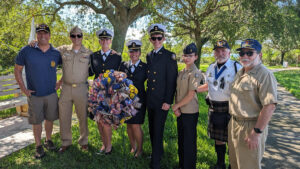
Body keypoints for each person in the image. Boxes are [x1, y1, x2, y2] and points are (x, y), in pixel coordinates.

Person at [228, 39, 277, 169]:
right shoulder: (241, 71)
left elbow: (270, 106)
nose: (244, 56)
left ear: (259, 55)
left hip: (251, 127)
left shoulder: (264, 74)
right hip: (234, 124)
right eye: (242, 53)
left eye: (249, 53)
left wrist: (256, 133)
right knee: (235, 164)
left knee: (248, 166)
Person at [14, 24, 61, 158]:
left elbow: (69, 65)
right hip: (34, 95)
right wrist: (23, 89)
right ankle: (38, 146)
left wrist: (60, 82)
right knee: (36, 121)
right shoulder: (27, 51)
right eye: (39, 33)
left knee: (50, 119)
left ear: (49, 35)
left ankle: (48, 140)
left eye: (45, 33)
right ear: (36, 35)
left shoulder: (56, 53)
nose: (42, 36)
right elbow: (17, 69)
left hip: (51, 94)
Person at [197, 40, 242, 169]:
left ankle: (232, 165)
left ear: (229, 52)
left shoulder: (236, 67)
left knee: (232, 139)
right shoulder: (211, 67)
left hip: (230, 108)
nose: (220, 53)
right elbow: (209, 85)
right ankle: (220, 163)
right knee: (218, 139)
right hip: (214, 108)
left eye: (223, 50)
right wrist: (195, 89)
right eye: (217, 51)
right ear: (214, 53)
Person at [55, 26, 93, 153]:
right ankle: (66, 141)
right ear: (70, 37)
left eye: (79, 35)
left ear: (82, 36)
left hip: (81, 88)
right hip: (65, 88)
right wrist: (35, 43)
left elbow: (101, 61)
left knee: (82, 116)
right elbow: (47, 49)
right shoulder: (63, 50)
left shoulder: (88, 53)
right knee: (64, 115)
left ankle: (84, 141)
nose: (76, 38)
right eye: (73, 35)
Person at [146, 23, 178, 169]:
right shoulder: (149, 55)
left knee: (158, 129)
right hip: (150, 99)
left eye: (159, 38)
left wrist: (168, 101)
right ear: (150, 39)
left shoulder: (169, 56)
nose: (157, 41)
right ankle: (157, 152)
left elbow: (172, 81)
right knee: (152, 129)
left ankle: (156, 162)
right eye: (154, 38)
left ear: (164, 38)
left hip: (161, 101)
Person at [89, 28, 122, 155]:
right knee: (98, 119)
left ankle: (109, 148)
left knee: (106, 121)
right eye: (102, 39)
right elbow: (90, 72)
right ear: (99, 41)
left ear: (110, 40)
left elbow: (120, 74)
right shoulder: (94, 56)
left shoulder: (117, 57)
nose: (105, 41)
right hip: (96, 93)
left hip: (110, 93)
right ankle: (104, 144)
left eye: (107, 39)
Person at [172, 43, 204, 169]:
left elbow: (191, 95)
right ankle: (182, 165)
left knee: (189, 142)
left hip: (190, 112)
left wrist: (176, 106)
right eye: (185, 55)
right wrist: (177, 107)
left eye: (190, 56)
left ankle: (189, 166)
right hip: (180, 110)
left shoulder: (195, 73)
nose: (187, 58)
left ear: (196, 56)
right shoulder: (182, 72)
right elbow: (177, 91)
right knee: (181, 140)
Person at [119, 40, 147, 158]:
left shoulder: (145, 67)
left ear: (140, 52)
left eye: (136, 51)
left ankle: (140, 150)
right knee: (129, 124)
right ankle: (133, 147)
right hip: (125, 100)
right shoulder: (123, 65)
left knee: (136, 125)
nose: (134, 53)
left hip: (139, 100)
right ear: (129, 52)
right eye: (131, 51)